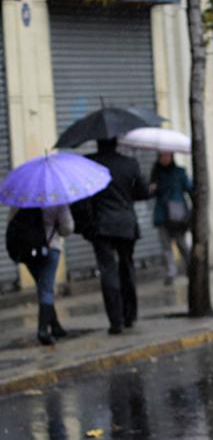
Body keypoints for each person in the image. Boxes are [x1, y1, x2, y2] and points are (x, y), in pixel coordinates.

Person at [83, 138, 150, 334]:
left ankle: (115, 321)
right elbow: (143, 192)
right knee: (127, 266)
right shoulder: (130, 164)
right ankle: (130, 315)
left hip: (101, 225)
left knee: (108, 270)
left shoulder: (89, 164)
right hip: (126, 224)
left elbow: (82, 196)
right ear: (116, 142)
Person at [7, 206, 73, 345]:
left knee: (43, 286)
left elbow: (10, 221)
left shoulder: (22, 199)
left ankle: (55, 326)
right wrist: (56, 229)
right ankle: (43, 330)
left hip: (29, 251)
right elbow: (67, 227)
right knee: (46, 288)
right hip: (50, 248)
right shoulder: (57, 199)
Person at [149, 151, 192, 286]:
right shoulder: (155, 174)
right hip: (162, 215)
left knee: (182, 244)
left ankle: (191, 268)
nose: (165, 158)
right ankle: (170, 273)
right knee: (166, 247)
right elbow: (149, 193)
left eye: (168, 155)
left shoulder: (179, 172)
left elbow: (190, 188)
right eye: (162, 156)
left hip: (177, 215)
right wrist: (152, 188)